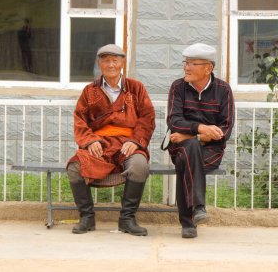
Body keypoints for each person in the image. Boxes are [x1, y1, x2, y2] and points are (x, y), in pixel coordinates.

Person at [67, 44, 155, 236]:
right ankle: (87, 218)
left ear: (122, 63)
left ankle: (127, 219)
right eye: (106, 60)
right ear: (99, 64)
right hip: (101, 144)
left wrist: (136, 141)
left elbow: (147, 118)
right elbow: (80, 120)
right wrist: (90, 141)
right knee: (75, 167)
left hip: (128, 143)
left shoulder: (136, 88)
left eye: (115, 60)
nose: (111, 64)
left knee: (139, 165)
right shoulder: (89, 91)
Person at [166, 43, 235, 238]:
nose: (186, 67)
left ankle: (188, 222)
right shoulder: (178, 87)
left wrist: (192, 135)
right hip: (180, 147)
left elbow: (226, 128)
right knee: (189, 150)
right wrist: (202, 130)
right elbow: (174, 120)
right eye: (185, 62)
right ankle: (198, 206)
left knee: (187, 160)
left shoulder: (223, 90)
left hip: (211, 151)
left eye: (192, 63)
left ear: (208, 68)